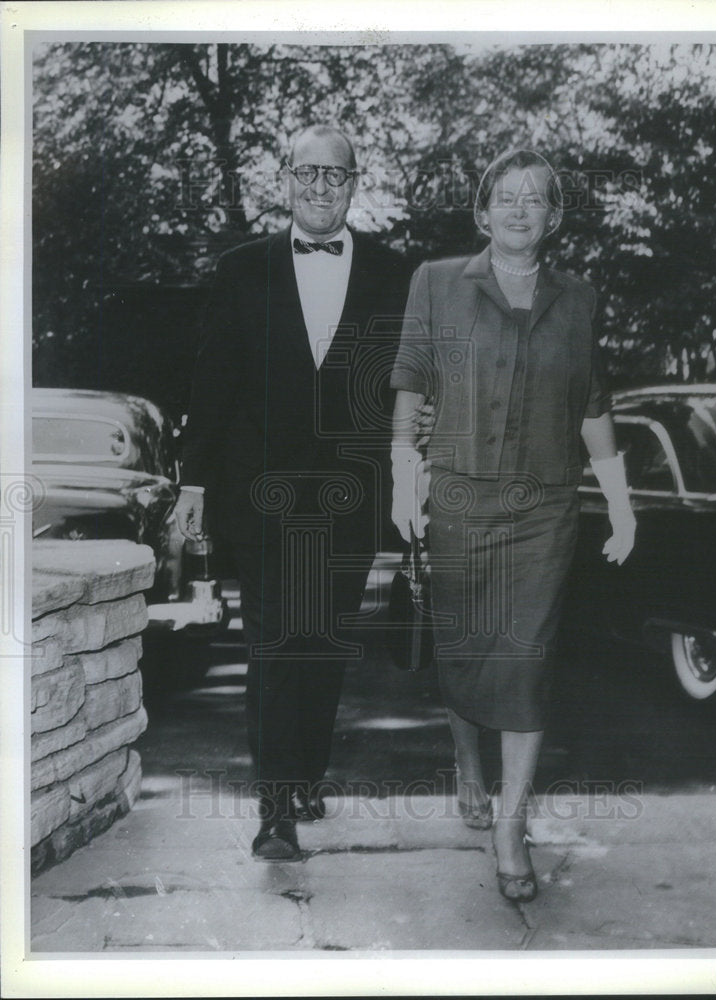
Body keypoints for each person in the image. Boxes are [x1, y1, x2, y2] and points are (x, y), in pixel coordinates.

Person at [389, 148, 635, 901]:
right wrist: (405, 479)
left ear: (554, 216)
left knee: (526, 661)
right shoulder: (434, 283)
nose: (520, 209)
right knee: (465, 652)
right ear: (482, 211)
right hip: (458, 503)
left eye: (536, 198)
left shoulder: (580, 298)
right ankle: (467, 760)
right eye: (506, 197)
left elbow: (594, 408)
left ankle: (510, 823)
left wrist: (621, 507)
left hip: (546, 511)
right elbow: (409, 386)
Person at [175, 124, 410, 861]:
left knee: (322, 644)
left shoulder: (393, 273)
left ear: (352, 182)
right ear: (285, 179)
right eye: (305, 173)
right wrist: (196, 480)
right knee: (277, 643)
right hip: (261, 495)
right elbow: (212, 381)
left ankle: (307, 775)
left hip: (349, 494)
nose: (318, 187)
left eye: (332, 175)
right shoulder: (242, 269)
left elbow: (403, 388)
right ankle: (276, 810)